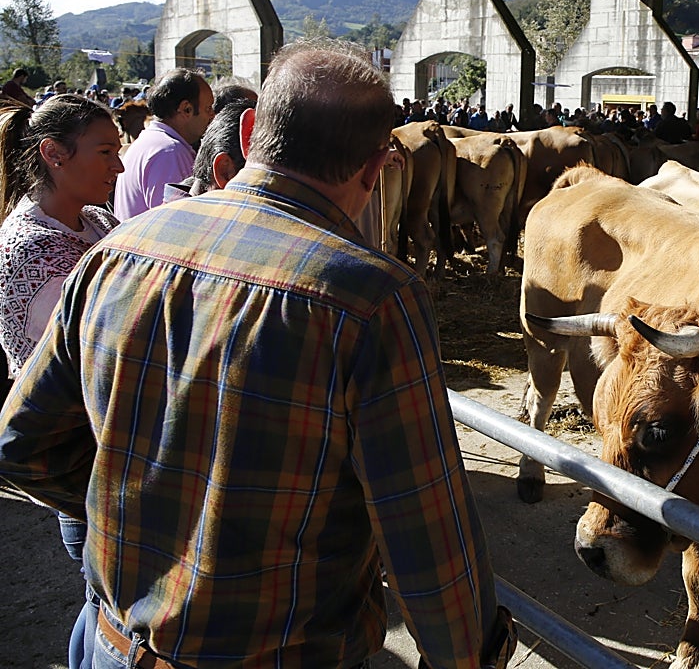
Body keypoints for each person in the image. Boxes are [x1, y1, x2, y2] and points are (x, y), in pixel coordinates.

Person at [0, 40, 515, 669]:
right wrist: (470, 656)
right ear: (377, 166)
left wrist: (139, 503)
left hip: (112, 644)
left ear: (248, 131)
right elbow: (425, 532)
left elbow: (21, 445)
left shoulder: (115, 252)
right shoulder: (373, 299)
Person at [0, 93, 124, 669]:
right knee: (106, 600)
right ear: (53, 153)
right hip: (79, 448)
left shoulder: (94, 219)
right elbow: (91, 365)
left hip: (104, 442)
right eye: (105, 152)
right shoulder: (33, 250)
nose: (118, 167)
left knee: (102, 597)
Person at [113, 68, 214, 219]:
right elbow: (175, 223)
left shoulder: (152, 142)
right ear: (186, 109)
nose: (212, 115)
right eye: (208, 108)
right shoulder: (169, 152)